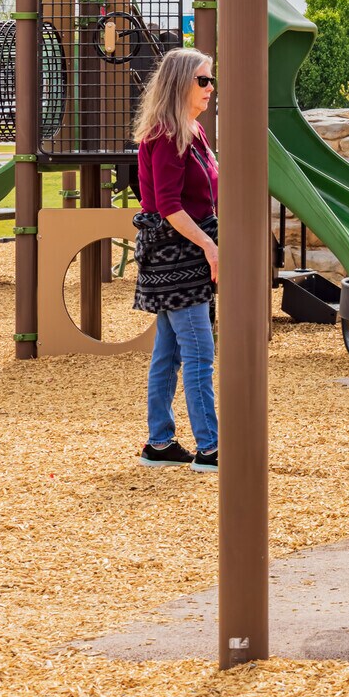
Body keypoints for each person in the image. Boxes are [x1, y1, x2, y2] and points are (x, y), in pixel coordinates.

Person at [133, 49, 221, 472]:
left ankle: (160, 443)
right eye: (203, 80)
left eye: (211, 80)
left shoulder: (192, 131)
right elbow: (167, 206)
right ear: (181, 83)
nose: (210, 88)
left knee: (168, 352)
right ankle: (211, 448)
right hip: (175, 256)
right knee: (200, 352)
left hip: (182, 252)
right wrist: (209, 245)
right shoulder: (166, 136)